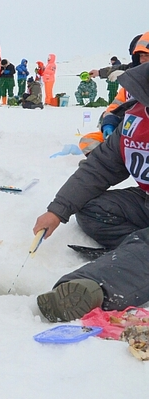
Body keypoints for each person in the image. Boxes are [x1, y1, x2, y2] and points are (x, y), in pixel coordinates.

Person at [33, 62, 149, 322]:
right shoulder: (135, 120)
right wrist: (57, 210)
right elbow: (100, 168)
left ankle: (93, 287)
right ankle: (137, 253)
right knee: (93, 210)